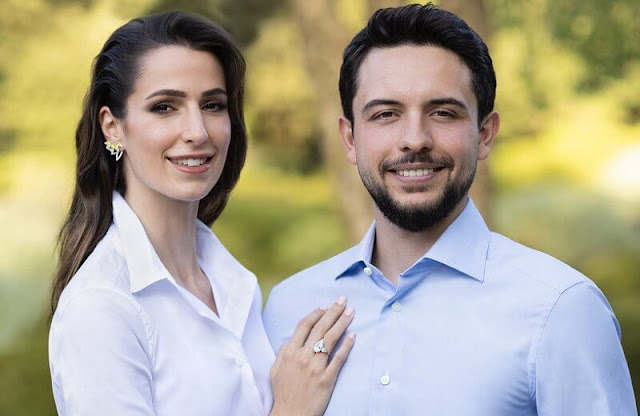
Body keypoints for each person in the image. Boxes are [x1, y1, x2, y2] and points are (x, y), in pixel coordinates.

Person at [263, 3, 637, 415]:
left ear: (485, 133)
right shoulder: (288, 308)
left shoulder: (562, 309)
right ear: (350, 138)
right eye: (386, 114)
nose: (414, 139)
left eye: (443, 113)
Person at [49, 11, 355, 416]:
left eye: (212, 105)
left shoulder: (231, 282)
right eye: (164, 107)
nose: (198, 131)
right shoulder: (101, 308)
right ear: (113, 127)